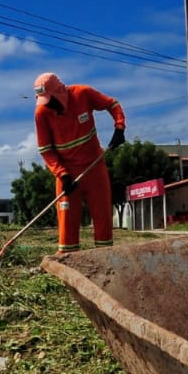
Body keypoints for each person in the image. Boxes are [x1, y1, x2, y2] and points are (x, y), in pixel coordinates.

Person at [33, 71, 126, 254]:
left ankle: (104, 258)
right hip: (67, 174)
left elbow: (112, 104)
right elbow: (46, 150)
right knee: (67, 222)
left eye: (49, 99)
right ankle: (68, 264)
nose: (48, 104)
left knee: (102, 217)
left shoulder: (83, 94)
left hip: (94, 168)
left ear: (59, 92)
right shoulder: (41, 113)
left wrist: (119, 127)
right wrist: (62, 174)